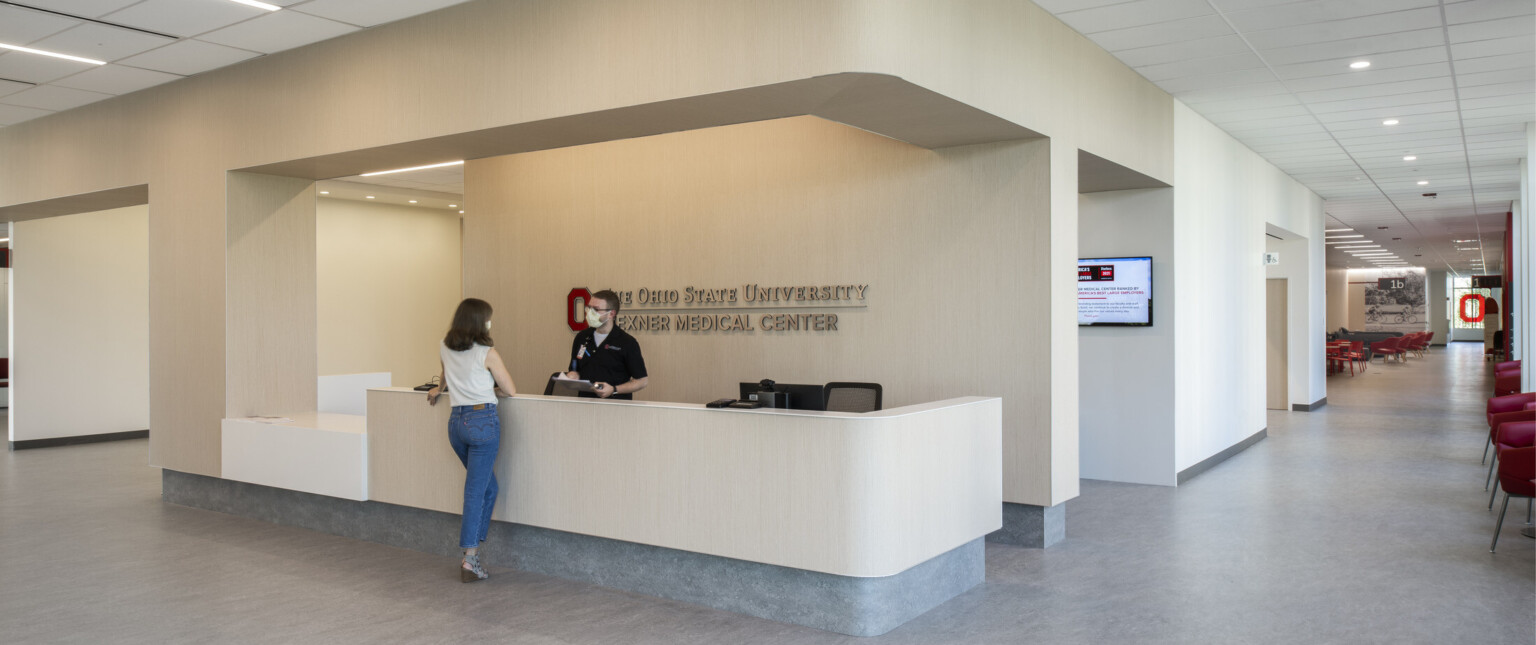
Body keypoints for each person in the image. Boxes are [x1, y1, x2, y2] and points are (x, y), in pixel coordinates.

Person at [426, 298, 516, 582]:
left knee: (489, 488)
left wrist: (437, 389)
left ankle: (474, 549)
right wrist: (491, 389)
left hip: (456, 424)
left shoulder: (444, 346)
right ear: (480, 322)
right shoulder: (487, 352)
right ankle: (470, 559)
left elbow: (445, 378)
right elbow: (510, 389)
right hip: (482, 422)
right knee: (476, 492)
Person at [566, 289, 649, 400]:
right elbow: (575, 368)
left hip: (616, 407)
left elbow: (642, 381)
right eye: (589, 308)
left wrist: (614, 389)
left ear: (611, 313)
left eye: (596, 309)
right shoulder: (582, 337)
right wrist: (573, 375)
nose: (590, 313)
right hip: (585, 404)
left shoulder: (627, 342)